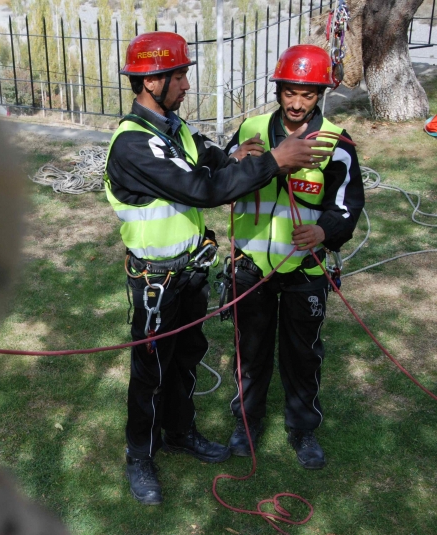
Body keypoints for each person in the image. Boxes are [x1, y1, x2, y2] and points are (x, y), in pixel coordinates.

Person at [105, 32, 334, 505]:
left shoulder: (172, 128)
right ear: (153, 81)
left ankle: (180, 431)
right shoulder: (133, 144)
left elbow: (208, 158)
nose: (188, 84)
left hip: (186, 274)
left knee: (186, 357)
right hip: (154, 280)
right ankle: (140, 456)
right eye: (181, 75)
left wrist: (237, 155)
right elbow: (202, 188)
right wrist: (273, 159)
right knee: (151, 370)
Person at [223, 44, 365, 470]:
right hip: (251, 266)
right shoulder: (250, 128)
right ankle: (246, 424)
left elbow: (348, 203)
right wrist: (235, 161)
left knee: (303, 354)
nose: (297, 103)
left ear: (320, 94)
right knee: (250, 350)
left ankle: (302, 430)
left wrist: (325, 230)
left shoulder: (336, 143)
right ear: (279, 89)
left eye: (307, 94)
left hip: (305, 268)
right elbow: (221, 181)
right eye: (290, 92)